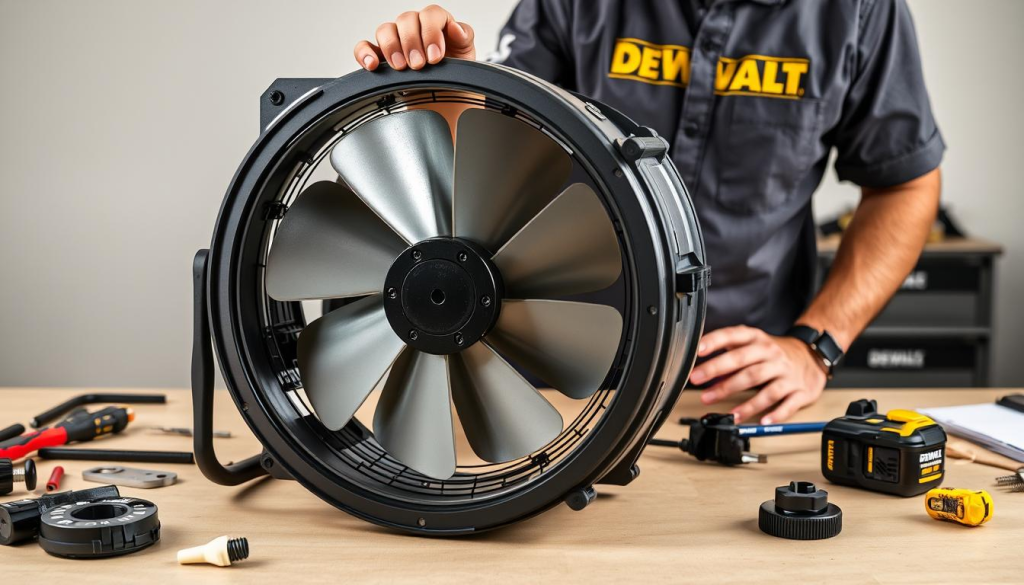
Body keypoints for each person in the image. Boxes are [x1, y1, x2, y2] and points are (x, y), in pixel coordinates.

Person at [352, 2, 943, 424]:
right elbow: (489, 150)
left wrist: (816, 346)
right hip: (546, 382)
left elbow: (904, 185)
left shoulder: (862, 12)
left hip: (727, 397)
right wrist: (449, 85)